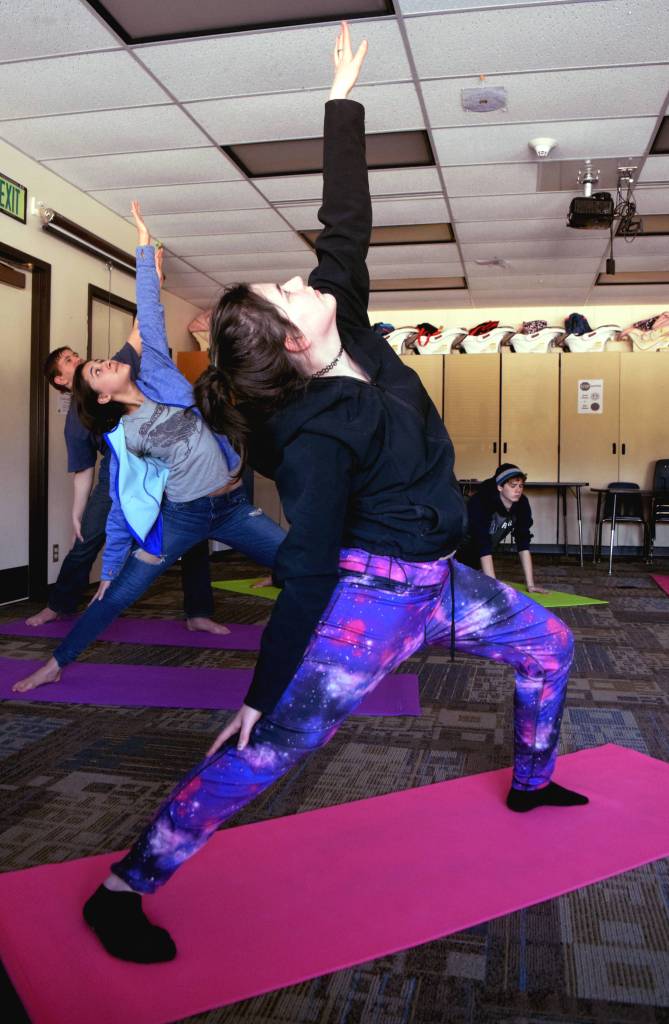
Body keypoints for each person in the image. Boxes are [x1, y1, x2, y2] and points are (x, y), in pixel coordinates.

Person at [81, 23, 586, 965]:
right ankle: (122, 889)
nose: (299, 275)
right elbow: (306, 564)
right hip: (368, 599)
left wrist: (343, 99)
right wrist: (262, 689)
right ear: (292, 341)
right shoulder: (311, 437)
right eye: (287, 288)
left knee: (553, 643)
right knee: (266, 751)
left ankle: (531, 777)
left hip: (443, 579)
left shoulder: (340, 313)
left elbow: (343, 219)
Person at [11, 213, 285, 695]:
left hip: (234, 506)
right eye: (96, 371)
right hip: (184, 516)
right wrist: (111, 569)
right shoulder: (124, 438)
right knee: (115, 597)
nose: (104, 362)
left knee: (301, 560)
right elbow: (121, 506)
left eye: (99, 360)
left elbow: (149, 310)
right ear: (100, 396)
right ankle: (56, 662)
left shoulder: (156, 366)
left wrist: (142, 250)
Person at [29, 317, 225, 634]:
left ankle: (198, 612)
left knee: (192, 533)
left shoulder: (113, 369)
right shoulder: (76, 422)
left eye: (74, 354)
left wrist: (150, 277)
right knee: (87, 537)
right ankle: (57, 604)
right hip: (119, 473)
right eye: (68, 361)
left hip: (162, 462)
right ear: (61, 381)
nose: (77, 359)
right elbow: (83, 469)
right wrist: (77, 514)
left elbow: (138, 334)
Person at [457, 464, 549, 594]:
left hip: (478, 558)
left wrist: (530, 584)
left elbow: (523, 541)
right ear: (500, 487)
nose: (518, 490)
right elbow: (483, 542)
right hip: (455, 550)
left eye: (520, 486)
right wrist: (493, 587)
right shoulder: (480, 502)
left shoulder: (522, 504)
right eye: (512, 486)